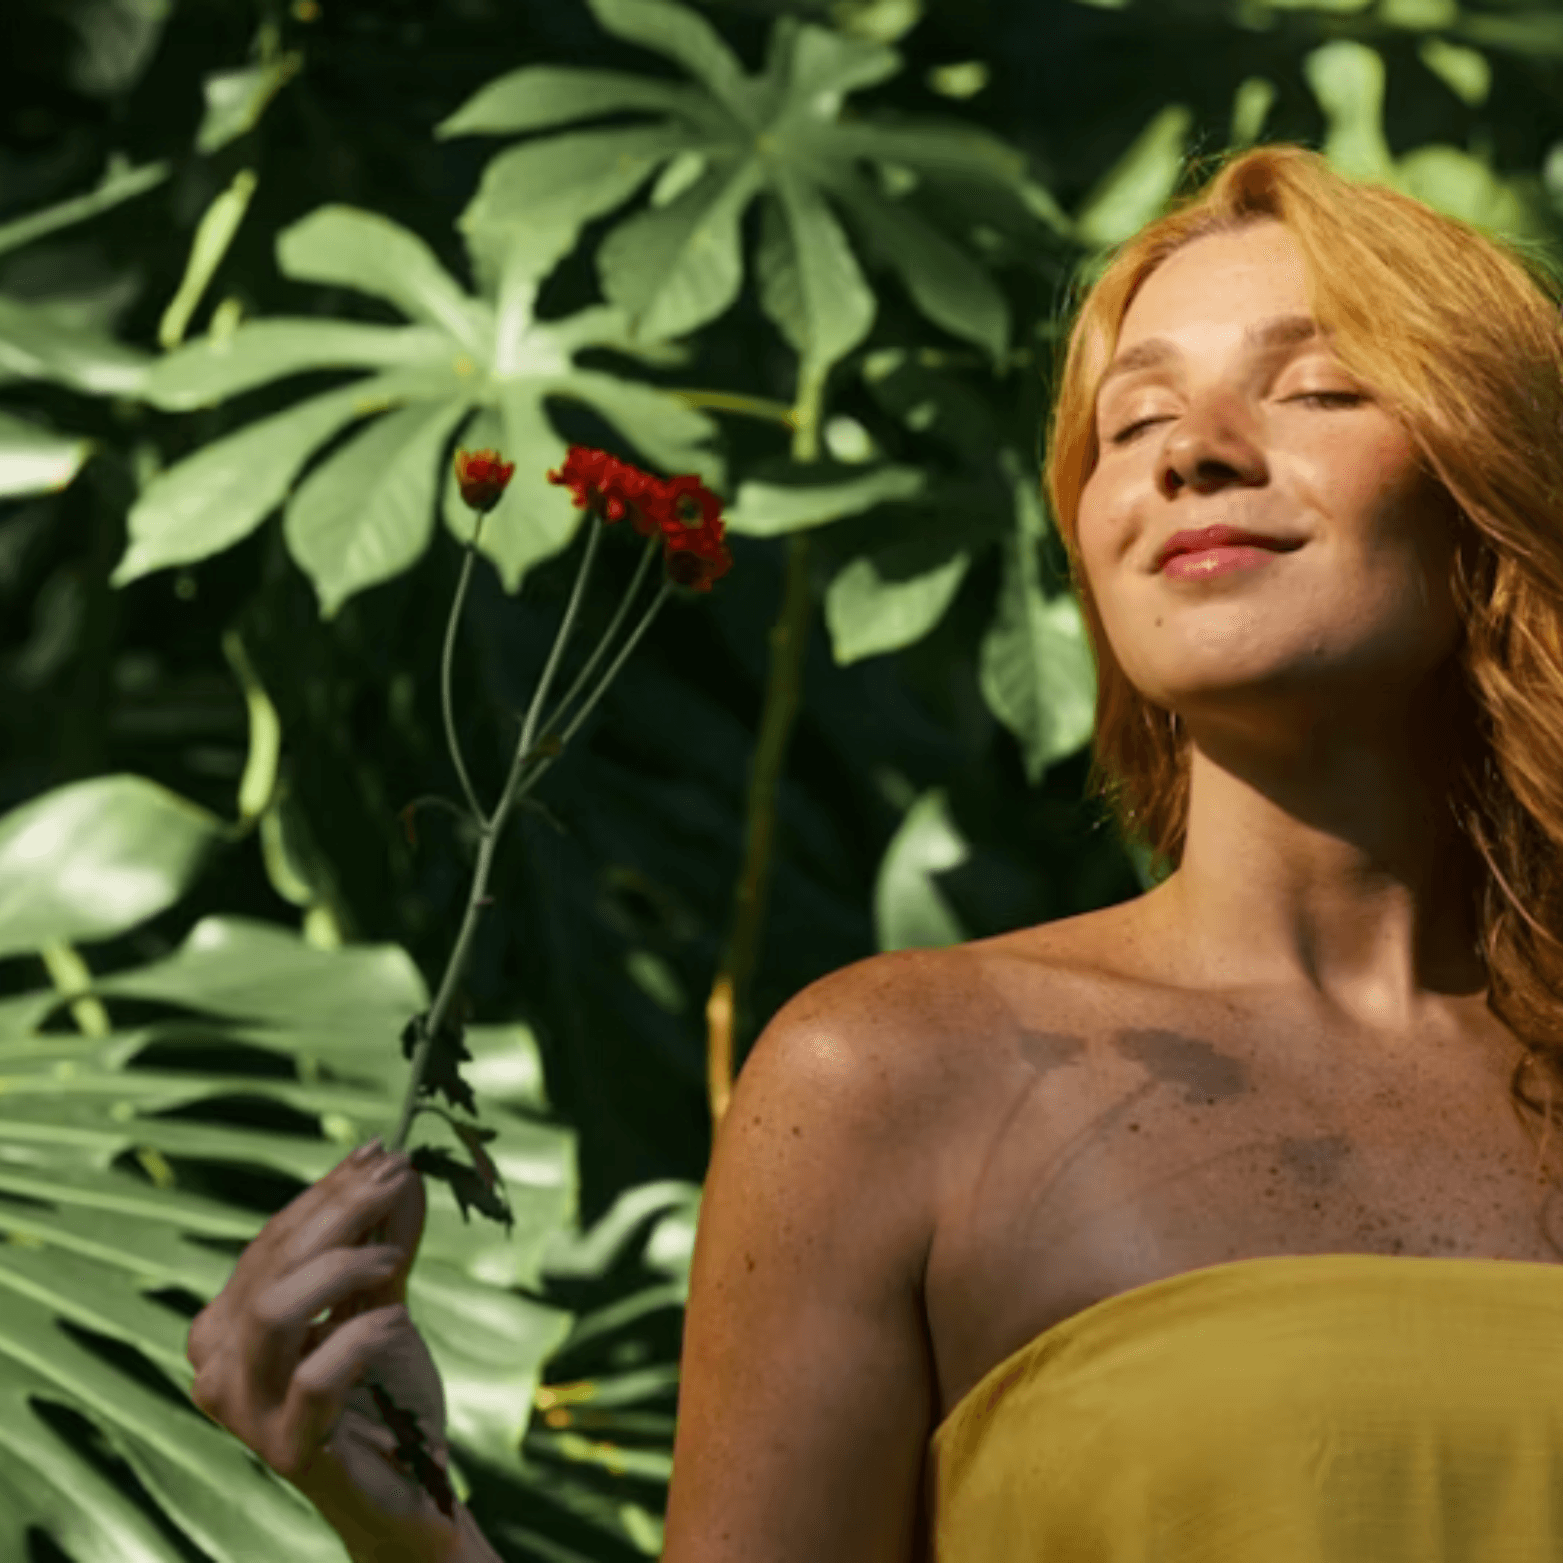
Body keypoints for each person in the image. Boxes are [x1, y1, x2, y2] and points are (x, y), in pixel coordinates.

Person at [186, 139, 1563, 1562]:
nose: (1189, 451)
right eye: (1130, 420)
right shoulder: (897, 1076)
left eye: (1317, 388)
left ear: (1498, 471)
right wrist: (413, 1535)